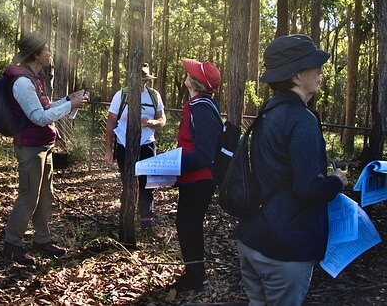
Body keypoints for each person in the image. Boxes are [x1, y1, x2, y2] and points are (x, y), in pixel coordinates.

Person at [235, 34, 348, 305]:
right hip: (283, 248)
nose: (320, 71)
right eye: (314, 66)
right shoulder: (302, 119)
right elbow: (309, 188)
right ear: (297, 76)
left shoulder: (267, 113)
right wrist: (336, 181)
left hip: (252, 238)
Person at [2, 31, 88, 265]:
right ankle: (12, 244)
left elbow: (46, 107)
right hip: (30, 147)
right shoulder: (22, 82)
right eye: (47, 50)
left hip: (45, 143)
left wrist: (68, 100)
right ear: (36, 54)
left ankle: (42, 239)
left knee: (45, 196)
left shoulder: (35, 77)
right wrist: (70, 104)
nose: (50, 53)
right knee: (29, 196)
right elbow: (38, 117)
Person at [170, 58, 223, 291]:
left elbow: (204, 154)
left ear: (194, 83)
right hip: (193, 178)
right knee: (188, 224)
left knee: (188, 224)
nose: (186, 75)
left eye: (189, 73)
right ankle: (194, 274)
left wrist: (172, 164)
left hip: (199, 179)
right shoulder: (199, 105)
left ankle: (196, 277)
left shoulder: (201, 109)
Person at [104, 63, 166, 237]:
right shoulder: (121, 95)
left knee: (147, 184)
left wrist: (151, 123)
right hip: (124, 144)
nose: (142, 84)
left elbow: (162, 119)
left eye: (145, 80)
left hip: (147, 144)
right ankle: (126, 220)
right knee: (128, 183)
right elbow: (110, 123)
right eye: (139, 80)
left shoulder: (154, 96)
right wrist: (109, 151)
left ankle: (146, 221)